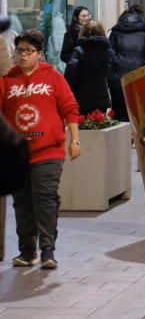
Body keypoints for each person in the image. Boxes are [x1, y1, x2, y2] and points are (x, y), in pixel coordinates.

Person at [1, 29, 81, 268]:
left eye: (28, 51)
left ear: (40, 54)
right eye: (19, 50)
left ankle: (48, 249)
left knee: (45, 199)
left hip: (48, 151)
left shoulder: (53, 77)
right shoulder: (7, 80)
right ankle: (27, 250)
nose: (23, 55)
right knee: (22, 203)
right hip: (18, 155)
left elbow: (70, 108)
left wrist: (75, 140)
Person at [108, 5, 145, 122]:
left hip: (118, 78)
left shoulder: (115, 32)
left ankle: (121, 138)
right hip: (139, 77)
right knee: (140, 115)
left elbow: (110, 53)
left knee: (120, 115)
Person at [64, 21, 116, 117]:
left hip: (81, 97)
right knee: (99, 126)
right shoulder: (109, 51)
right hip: (102, 96)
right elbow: (113, 72)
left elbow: (71, 72)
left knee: (82, 128)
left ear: (83, 32)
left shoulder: (79, 50)